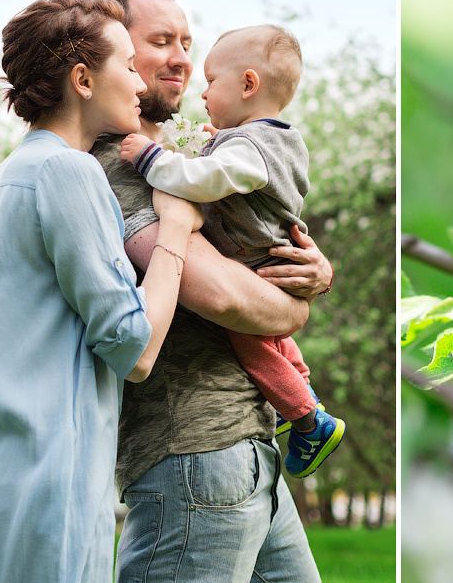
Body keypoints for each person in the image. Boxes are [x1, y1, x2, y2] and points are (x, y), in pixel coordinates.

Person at [0, 0, 203, 582]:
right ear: (83, 79)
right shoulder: (69, 172)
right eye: (125, 63)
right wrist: (175, 226)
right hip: (45, 492)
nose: (139, 79)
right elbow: (135, 350)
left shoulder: (3, 180)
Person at [89, 0, 331, 582]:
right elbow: (225, 296)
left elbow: (251, 234)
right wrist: (295, 306)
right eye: (160, 41)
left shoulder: (185, 158)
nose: (181, 60)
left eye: (187, 43)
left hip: (244, 454)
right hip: (192, 456)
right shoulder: (112, 170)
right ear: (110, 54)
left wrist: (314, 269)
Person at [119, 24, 345, 479]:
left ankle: (303, 414)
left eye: (210, 80)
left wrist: (150, 158)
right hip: (199, 446)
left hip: (238, 442)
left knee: (253, 343)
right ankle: (303, 399)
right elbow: (226, 293)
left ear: (248, 85)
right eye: (160, 42)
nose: (198, 86)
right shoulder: (261, 141)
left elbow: (206, 183)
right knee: (275, 340)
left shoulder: (248, 146)